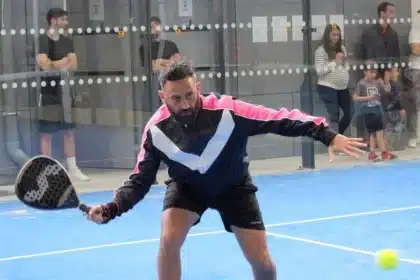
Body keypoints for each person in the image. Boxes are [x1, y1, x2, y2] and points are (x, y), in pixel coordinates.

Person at [87, 61, 366, 280]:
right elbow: (139, 181)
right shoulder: (156, 131)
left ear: (198, 86)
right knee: (169, 238)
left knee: (262, 263)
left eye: (189, 95)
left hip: (234, 187)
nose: (184, 104)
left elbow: (278, 119)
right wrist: (112, 208)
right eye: (175, 98)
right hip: (188, 188)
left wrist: (328, 135)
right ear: (163, 97)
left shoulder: (228, 111)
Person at [36, 8, 89, 181]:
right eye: (63, 20)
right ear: (53, 20)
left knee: (69, 131)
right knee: (47, 133)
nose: (66, 23)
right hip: (48, 92)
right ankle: (47, 171)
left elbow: (73, 65)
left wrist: (55, 63)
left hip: (65, 91)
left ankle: (72, 167)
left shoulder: (67, 41)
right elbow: (44, 65)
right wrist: (62, 62)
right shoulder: (42, 40)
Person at [353, 62, 397, 161]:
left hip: (377, 109)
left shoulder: (377, 82)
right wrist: (368, 97)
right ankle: (384, 152)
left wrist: (386, 81)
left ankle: (372, 152)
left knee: (373, 133)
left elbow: (387, 90)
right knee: (379, 132)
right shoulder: (361, 83)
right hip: (369, 110)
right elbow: (355, 97)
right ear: (364, 72)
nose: (373, 75)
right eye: (371, 72)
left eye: (374, 72)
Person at [315, 23, 353, 136]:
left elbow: (345, 66)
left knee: (350, 112)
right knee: (334, 115)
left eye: (338, 35)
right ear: (328, 36)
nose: (336, 37)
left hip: (342, 87)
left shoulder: (342, 49)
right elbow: (320, 71)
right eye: (333, 35)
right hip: (327, 86)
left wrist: (345, 66)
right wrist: (334, 63)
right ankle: (335, 143)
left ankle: (336, 137)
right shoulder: (320, 51)